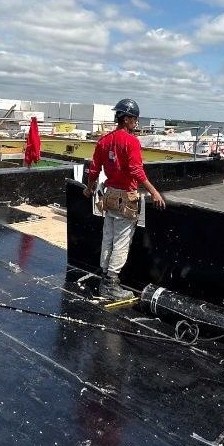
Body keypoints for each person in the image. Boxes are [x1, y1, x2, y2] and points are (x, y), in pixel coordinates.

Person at [83, 98, 166, 300]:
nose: (136, 123)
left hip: (109, 195)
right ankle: (111, 285)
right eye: (135, 119)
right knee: (121, 242)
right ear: (127, 118)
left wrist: (89, 188)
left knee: (108, 237)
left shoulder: (104, 141)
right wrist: (154, 192)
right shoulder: (131, 142)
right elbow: (136, 171)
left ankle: (105, 278)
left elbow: (94, 169)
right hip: (125, 199)